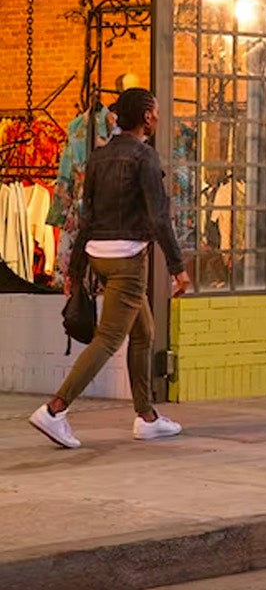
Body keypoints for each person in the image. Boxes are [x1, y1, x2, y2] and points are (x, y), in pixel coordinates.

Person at [28, 88, 189, 449]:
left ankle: (147, 417)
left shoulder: (99, 157)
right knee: (109, 338)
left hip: (99, 255)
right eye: (158, 111)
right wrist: (178, 267)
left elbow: (86, 217)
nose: (160, 117)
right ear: (147, 117)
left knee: (144, 331)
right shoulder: (145, 157)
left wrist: (74, 270)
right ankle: (55, 410)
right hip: (127, 259)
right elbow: (159, 218)